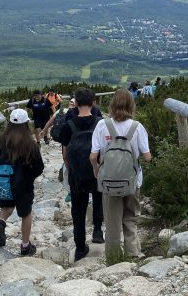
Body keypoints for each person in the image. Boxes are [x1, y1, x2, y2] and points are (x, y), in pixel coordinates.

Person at [91, 88, 152, 258]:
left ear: (112, 105)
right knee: (131, 217)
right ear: (131, 105)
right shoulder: (137, 127)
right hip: (132, 181)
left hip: (109, 182)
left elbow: (93, 155)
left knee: (112, 222)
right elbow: (147, 157)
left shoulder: (102, 125)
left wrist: (96, 170)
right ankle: (133, 253)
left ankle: (113, 257)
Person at [57, 88, 105, 261]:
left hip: (77, 174)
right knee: (98, 198)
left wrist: (70, 170)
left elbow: (64, 153)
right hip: (97, 170)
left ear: (75, 103)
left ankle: (79, 247)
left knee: (78, 209)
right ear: (93, 103)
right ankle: (98, 230)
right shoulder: (101, 123)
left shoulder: (69, 125)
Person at [0, 108, 44, 256]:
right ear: (26, 124)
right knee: (25, 214)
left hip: (4, 182)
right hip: (23, 185)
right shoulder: (29, 144)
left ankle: (1, 222)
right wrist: (30, 177)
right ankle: (25, 245)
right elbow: (39, 167)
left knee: (6, 207)